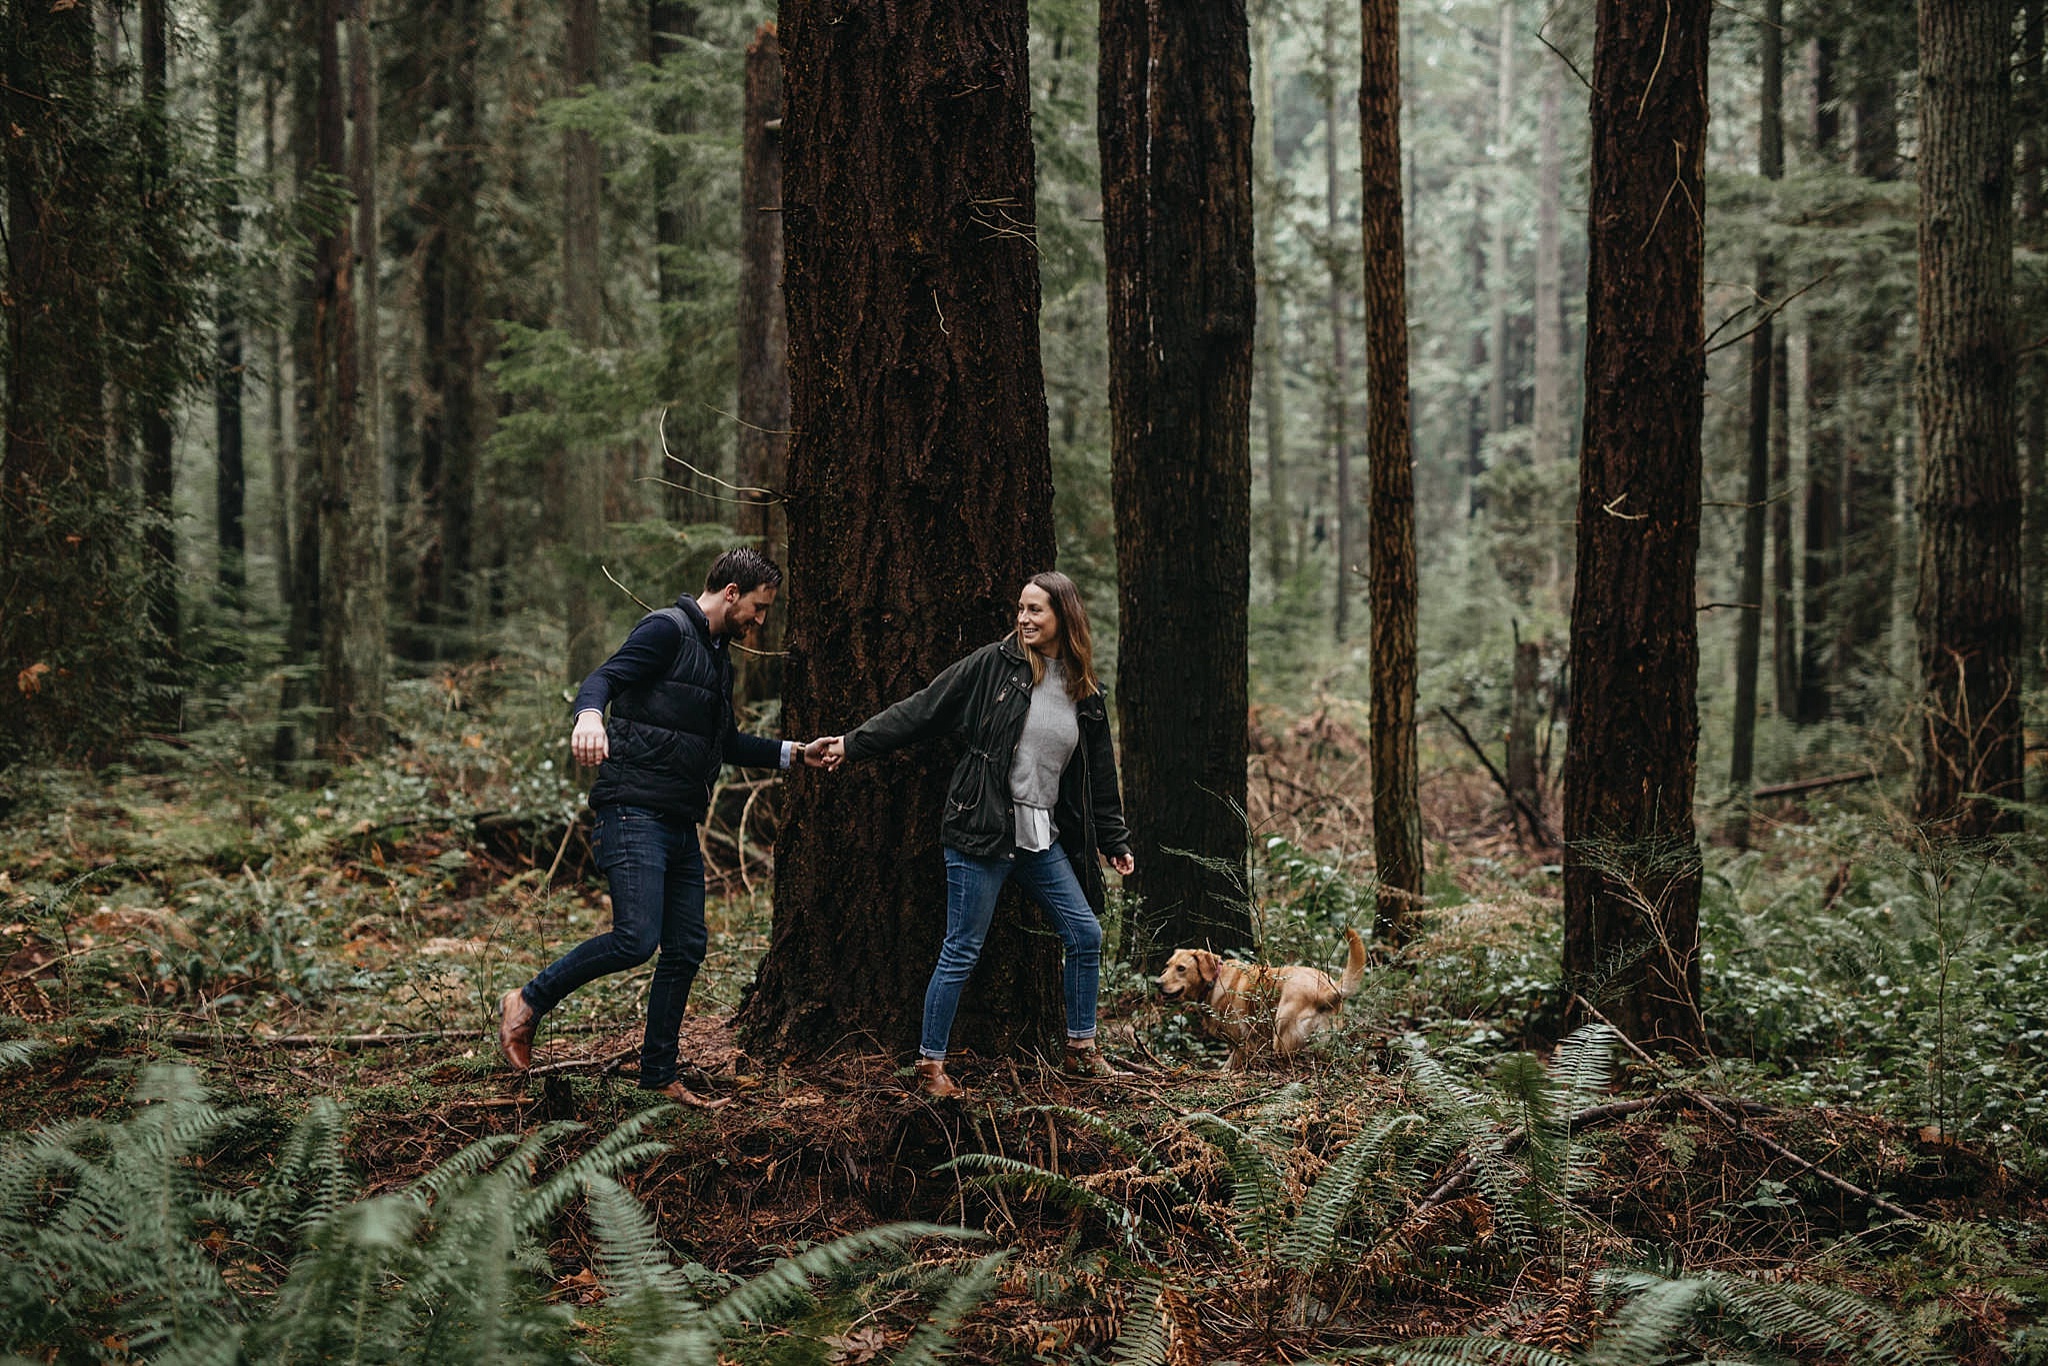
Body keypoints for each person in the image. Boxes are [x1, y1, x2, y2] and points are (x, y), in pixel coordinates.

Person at [498, 547, 824, 1106]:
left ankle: (658, 1073)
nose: (760, 621)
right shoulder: (666, 631)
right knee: (636, 938)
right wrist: (589, 717)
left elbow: (725, 744)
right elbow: (603, 677)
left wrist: (797, 754)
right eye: (758, 607)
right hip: (631, 811)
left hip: (677, 821)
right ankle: (527, 1001)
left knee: (687, 945)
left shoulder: (717, 656)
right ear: (730, 594)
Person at [809, 571, 1136, 1099]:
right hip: (980, 828)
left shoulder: (1084, 691)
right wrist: (852, 743)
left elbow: (1098, 773)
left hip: (1039, 838)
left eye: (1036, 611)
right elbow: (924, 708)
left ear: (1064, 617)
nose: (1024, 619)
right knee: (962, 948)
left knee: (1086, 936)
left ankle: (1081, 1050)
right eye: (1022, 609)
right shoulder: (994, 665)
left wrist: (1114, 840)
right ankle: (930, 1064)